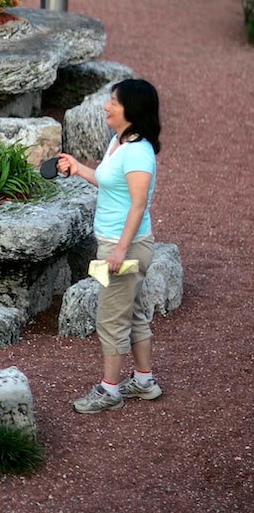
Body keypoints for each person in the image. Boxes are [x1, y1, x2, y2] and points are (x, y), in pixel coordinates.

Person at [57, 79, 163, 414]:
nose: (107, 106)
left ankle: (109, 391)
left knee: (110, 319)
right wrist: (78, 168)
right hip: (119, 244)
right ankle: (144, 383)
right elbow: (107, 182)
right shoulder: (119, 142)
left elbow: (138, 204)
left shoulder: (137, 154)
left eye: (113, 102)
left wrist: (119, 251)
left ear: (131, 109)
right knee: (132, 314)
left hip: (125, 248)